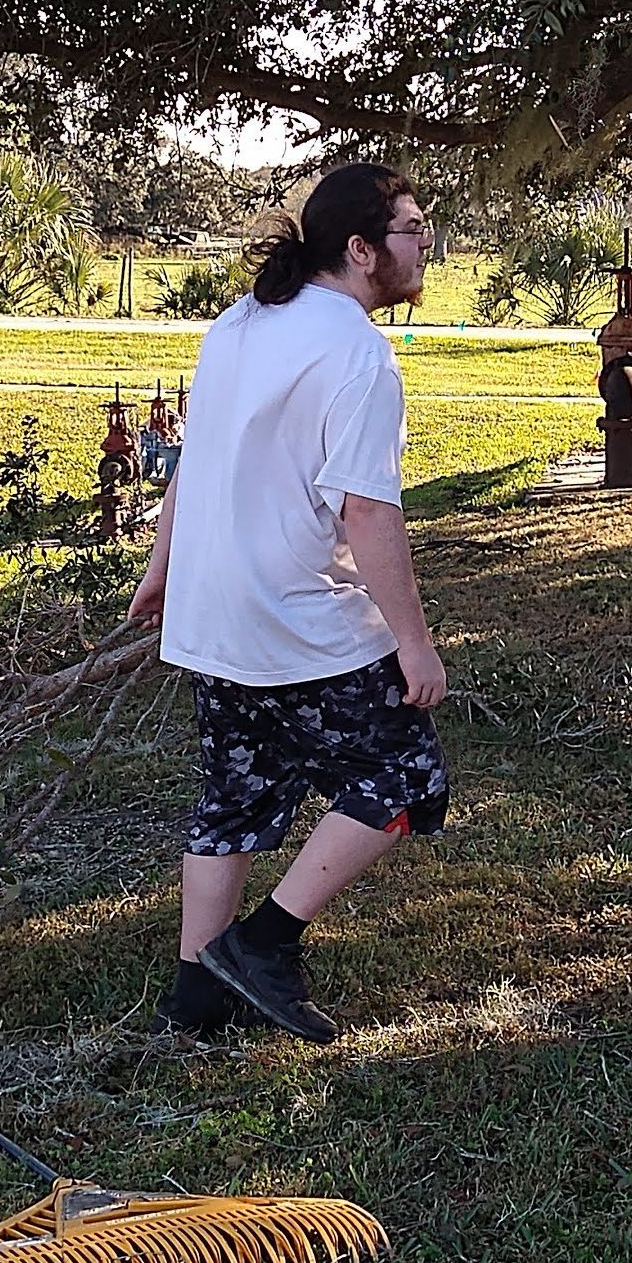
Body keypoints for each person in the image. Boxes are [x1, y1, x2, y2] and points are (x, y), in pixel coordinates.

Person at [127, 162, 450, 1044]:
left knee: (232, 800)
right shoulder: (355, 351)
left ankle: (193, 1006)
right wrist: (413, 647)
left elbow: (197, 454)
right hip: (295, 616)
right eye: (413, 231)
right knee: (403, 777)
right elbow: (368, 511)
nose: (425, 247)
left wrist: (163, 566)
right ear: (359, 249)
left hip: (214, 614)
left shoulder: (239, 322)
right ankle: (266, 943)